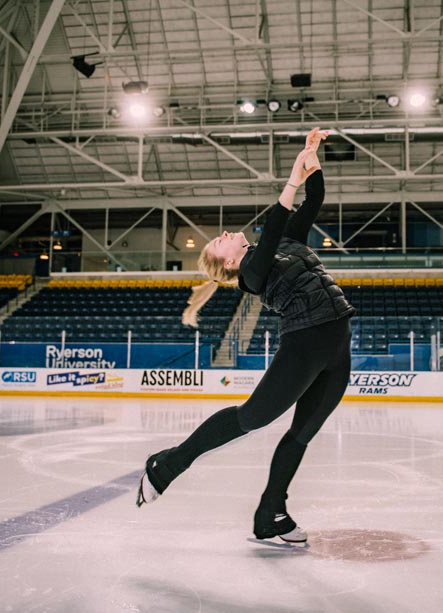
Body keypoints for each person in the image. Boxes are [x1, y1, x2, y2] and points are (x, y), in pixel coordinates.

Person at [136, 127, 355, 544]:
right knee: (253, 417)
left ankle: (270, 513)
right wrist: (292, 179)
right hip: (305, 344)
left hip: (339, 344)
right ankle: (168, 465)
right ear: (228, 263)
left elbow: (314, 202)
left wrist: (312, 160)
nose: (223, 235)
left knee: (303, 433)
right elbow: (271, 232)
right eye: (218, 243)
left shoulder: (288, 243)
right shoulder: (251, 277)